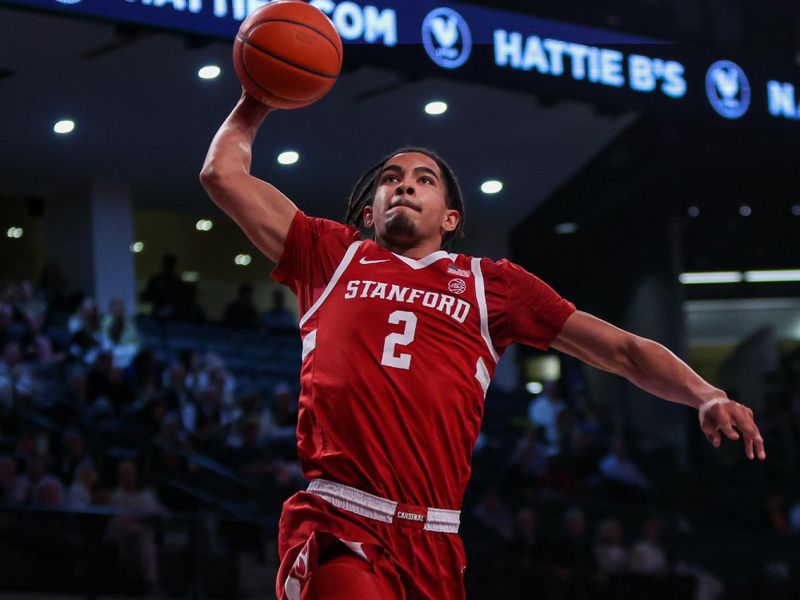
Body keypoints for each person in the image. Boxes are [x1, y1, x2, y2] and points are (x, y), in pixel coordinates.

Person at [200, 92, 766, 600]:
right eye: (391, 178)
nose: (404, 183)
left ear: (450, 217)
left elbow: (621, 350)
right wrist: (257, 99)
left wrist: (706, 394)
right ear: (369, 211)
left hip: (436, 537)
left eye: (424, 179)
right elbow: (223, 175)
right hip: (342, 518)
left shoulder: (492, 285)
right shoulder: (331, 254)